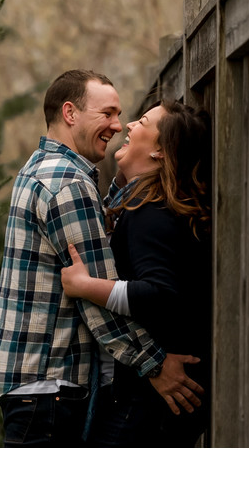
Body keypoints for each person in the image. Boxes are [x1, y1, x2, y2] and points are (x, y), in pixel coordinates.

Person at [0, 70, 204, 447]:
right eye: (107, 113)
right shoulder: (70, 184)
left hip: (32, 379)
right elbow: (96, 303)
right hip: (49, 381)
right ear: (71, 113)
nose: (118, 125)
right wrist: (156, 365)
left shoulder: (40, 168)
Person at [61, 99, 212, 447]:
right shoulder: (149, 204)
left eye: (142, 121)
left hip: (148, 406)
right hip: (152, 401)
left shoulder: (151, 212)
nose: (128, 125)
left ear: (160, 149)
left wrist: (85, 285)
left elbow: (160, 295)